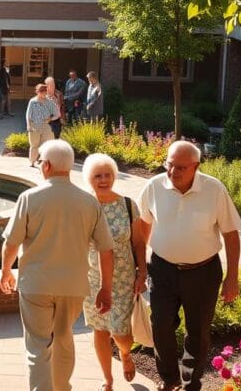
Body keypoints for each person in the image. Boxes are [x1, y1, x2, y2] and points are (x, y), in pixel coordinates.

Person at [0, 139, 115, 391]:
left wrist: (6, 271)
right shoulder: (89, 202)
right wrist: (106, 288)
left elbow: (12, 242)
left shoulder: (29, 198)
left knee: (38, 346)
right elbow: (106, 249)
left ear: (47, 166)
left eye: (41, 161)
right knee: (63, 340)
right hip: (73, 286)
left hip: (36, 285)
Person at [139, 141, 241, 391]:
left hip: (203, 273)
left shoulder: (214, 189)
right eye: (169, 164)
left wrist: (232, 277)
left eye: (181, 167)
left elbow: (231, 234)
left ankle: (190, 383)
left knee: (198, 332)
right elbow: (142, 227)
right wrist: (141, 268)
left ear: (196, 166)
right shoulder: (154, 186)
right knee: (160, 325)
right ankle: (169, 379)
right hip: (162, 269)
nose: (173, 172)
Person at [82, 153, 148, 391]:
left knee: (121, 332)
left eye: (107, 175)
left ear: (114, 176)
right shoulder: (84, 207)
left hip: (123, 279)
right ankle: (108, 379)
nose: (103, 180)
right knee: (100, 328)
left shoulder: (128, 205)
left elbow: (139, 242)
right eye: (98, 176)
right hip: (93, 278)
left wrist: (142, 272)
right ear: (89, 179)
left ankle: (125, 353)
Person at [25, 84, 59, 167]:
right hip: (34, 125)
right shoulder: (32, 101)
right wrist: (28, 125)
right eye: (42, 92)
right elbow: (28, 114)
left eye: (45, 91)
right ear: (38, 92)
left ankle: (43, 161)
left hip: (46, 126)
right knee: (34, 145)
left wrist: (50, 119)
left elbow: (57, 114)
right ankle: (32, 162)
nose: (44, 93)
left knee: (46, 145)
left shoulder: (50, 102)